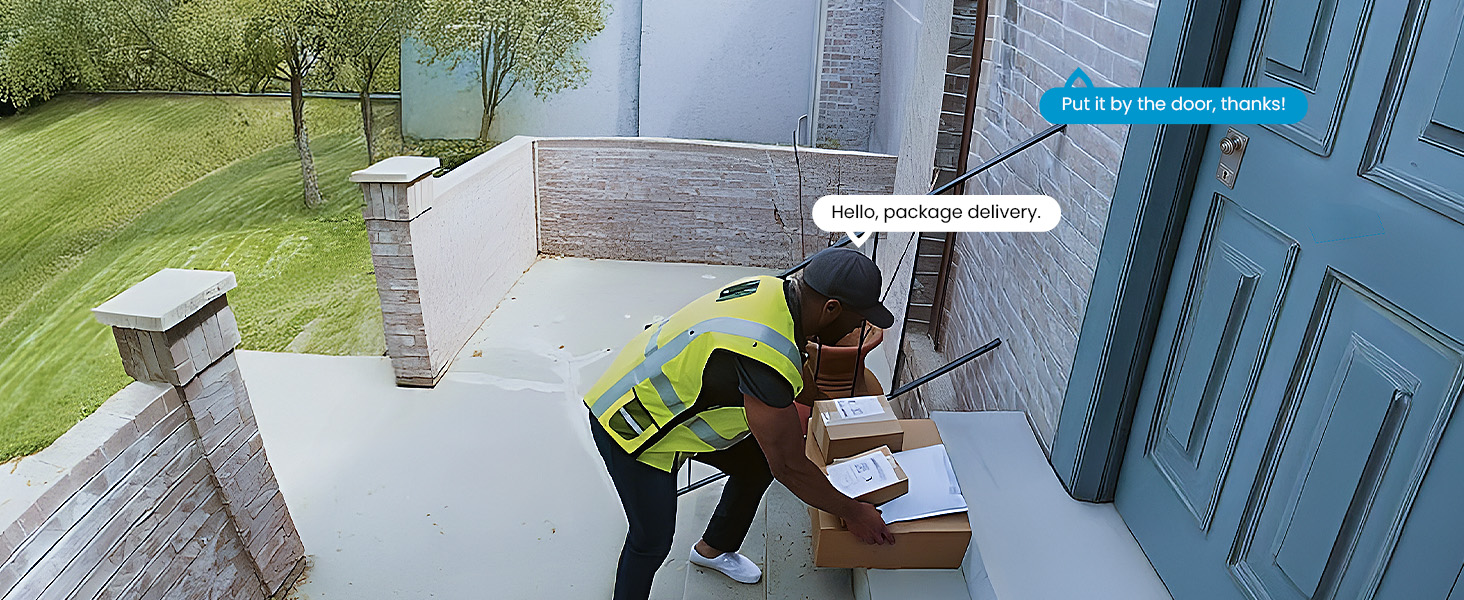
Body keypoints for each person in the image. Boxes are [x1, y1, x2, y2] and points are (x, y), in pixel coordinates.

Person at [584, 247, 897, 600]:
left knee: (755, 462)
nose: (860, 327)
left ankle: (714, 549)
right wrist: (854, 512)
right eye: (859, 318)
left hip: (655, 390)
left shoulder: (773, 292)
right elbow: (790, 467)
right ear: (831, 309)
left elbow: (799, 366)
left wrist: (841, 416)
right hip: (631, 426)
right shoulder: (763, 356)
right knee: (650, 542)